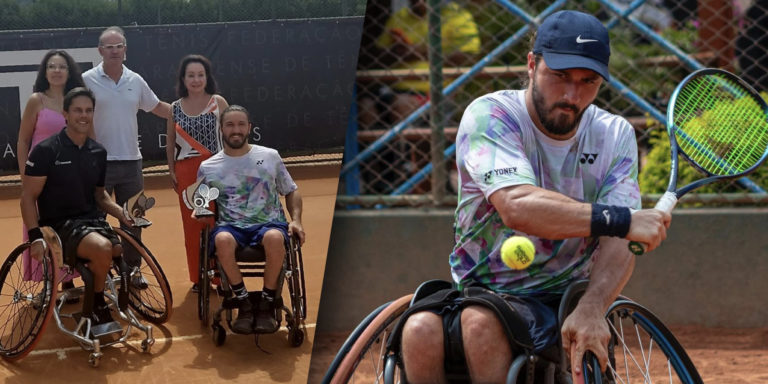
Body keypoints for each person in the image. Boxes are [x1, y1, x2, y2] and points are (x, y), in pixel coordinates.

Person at [399, 10, 671, 383]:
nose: (572, 95)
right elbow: (517, 206)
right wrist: (623, 219)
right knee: (418, 332)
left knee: (478, 326)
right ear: (532, 64)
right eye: (559, 76)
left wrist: (593, 307)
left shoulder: (613, 134)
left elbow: (618, 245)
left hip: (566, 293)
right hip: (484, 287)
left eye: (588, 81)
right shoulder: (491, 115)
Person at [21, 87, 133, 327]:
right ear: (65, 114)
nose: (84, 115)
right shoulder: (45, 151)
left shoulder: (98, 151)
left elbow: (100, 197)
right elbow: (27, 198)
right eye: (77, 110)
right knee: (103, 249)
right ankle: (96, 305)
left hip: (91, 221)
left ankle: (95, 295)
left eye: (88, 110)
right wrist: (34, 237)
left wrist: (122, 213)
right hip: (58, 225)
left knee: (116, 250)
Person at [196, 105, 305, 334]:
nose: (235, 130)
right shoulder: (207, 167)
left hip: (269, 223)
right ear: (222, 129)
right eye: (230, 125)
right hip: (231, 226)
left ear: (249, 128)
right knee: (222, 241)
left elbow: (291, 190)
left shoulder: (269, 156)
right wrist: (200, 210)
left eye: (240, 124)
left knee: (276, 238)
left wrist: (295, 220)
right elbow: (201, 203)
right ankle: (243, 302)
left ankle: (266, 303)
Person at [82, 26, 171, 279]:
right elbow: (77, 116)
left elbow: (157, 107)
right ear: (100, 51)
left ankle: (132, 271)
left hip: (132, 163)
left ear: (125, 51)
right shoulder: (87, 79)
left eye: (118, 46)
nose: (114, 51)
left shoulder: (136, 80)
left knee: (134, 218)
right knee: (95, 220)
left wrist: (190, 112)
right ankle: (99, 272)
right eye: (109, 47)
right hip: (98, 164)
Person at [18, 49, 86, 300]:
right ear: (45, 72)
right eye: (51, 67)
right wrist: (25, 175)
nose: (57, 71)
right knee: (41, 230)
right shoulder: (36, 100)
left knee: (69, 227)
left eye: (62, 67)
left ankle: (68, 280)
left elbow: (88, 136)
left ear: (69, 72)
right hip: (40, 177)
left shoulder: (77, 101)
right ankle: (48, 284)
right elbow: (23, 140)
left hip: (70, 177)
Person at [360, 0, 480, 126]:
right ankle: (381, 145)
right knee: (365, 105)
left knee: (402, 104)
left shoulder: (457, 16)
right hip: (393, 88)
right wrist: (396, 52)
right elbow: (377, 56)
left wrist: (419, 52)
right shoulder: (400, 16)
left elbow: (468, 58)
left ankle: (403, 145)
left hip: (435, 91)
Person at [166, 54, 229, 292]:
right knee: (193, 228)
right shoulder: (174, 108)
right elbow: (170, 143)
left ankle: (221, 275)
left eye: (200, 75)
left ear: (207, 77)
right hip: (187, 173)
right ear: (183, 78)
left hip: (216, 171)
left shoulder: (218, 102)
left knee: (218, 224)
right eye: (191, 75)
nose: (196, 79)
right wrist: (172, 170)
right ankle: (199, 278)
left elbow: (229, 137)